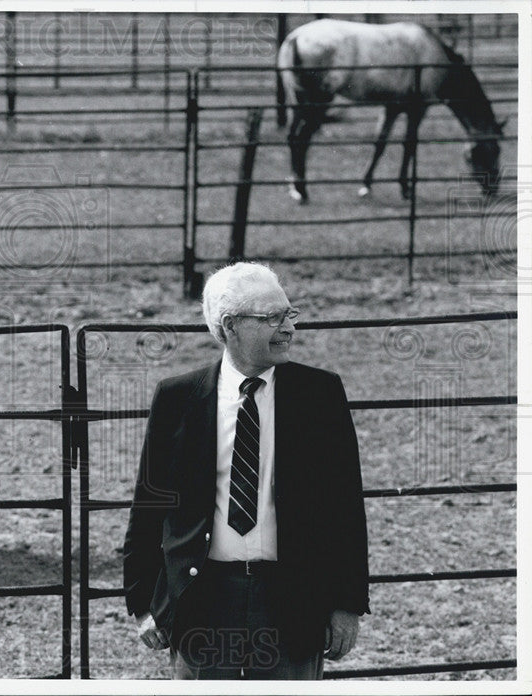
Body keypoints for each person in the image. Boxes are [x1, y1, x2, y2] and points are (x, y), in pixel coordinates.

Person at [123, 262, 369, 679]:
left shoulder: (320, 394)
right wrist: (143, 604)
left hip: (293, 601)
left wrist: (347, 604)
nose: (288, 328)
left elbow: (345, 506)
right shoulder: (177, 397)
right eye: (271, 318)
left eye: (289, 314)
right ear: (230, 325)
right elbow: (149, 507)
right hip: (202, 599)